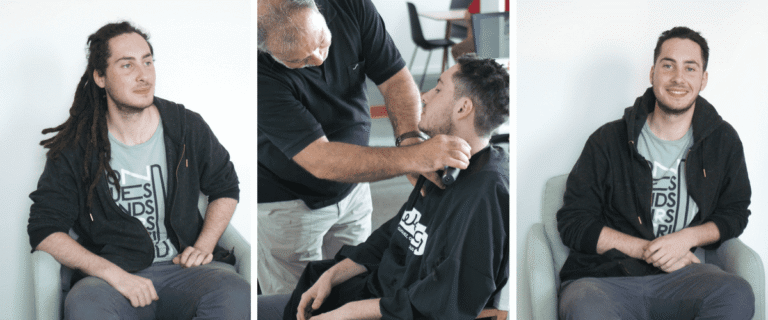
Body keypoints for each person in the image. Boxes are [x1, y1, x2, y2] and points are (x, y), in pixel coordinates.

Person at [257, 54, 509, 320]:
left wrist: (348, 312)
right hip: (374, 291)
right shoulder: (442, 161)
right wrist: (332, 275)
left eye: (438, 89)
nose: (424, 96)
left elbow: (443, 300)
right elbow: (398, 233)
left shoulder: (486, 195)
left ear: (462, 108)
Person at [27, 22, 249, 319]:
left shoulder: (185, 126)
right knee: (86, 307)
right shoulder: (77, 146)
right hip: (111, 281)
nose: (144, 75)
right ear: (100, 77)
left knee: (234, 294)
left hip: (185, 273)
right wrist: (111, 273)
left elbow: (225, 186)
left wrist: (204, 245)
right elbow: (45, 229)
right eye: (127, 65)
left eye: (147, 61)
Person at [257, 0, 472, 295]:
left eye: (322, 42)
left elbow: (395, 78)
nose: (319, 59)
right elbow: (321, 160)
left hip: (356, 187)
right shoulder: (253, 70)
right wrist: (412, 158)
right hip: (286, 203)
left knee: (351, 285)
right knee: (292, 301)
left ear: (320, 9)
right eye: (298, 62)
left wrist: (409, 140)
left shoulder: (350, 5)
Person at [557, 26, 754, 319]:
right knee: (583, 305)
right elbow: (573, 222)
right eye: (668, 65)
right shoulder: (607, 140)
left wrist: (686, 238)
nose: (678, 78)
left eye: (690, 68)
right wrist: (647, 249)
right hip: (606, 281)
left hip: (683, 282)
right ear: (652, 74)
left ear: (703, 79)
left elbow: (735, 212)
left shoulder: (722, 141)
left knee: (736, 294)